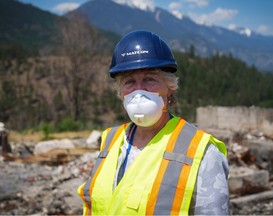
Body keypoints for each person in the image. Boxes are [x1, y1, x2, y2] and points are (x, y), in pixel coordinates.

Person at [78, 30, 229, 215]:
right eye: (129, 82)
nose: (139, 91)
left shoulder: (200, 151)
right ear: (120, 93)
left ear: (170, 88)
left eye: (150, 79)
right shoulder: (110, 140)